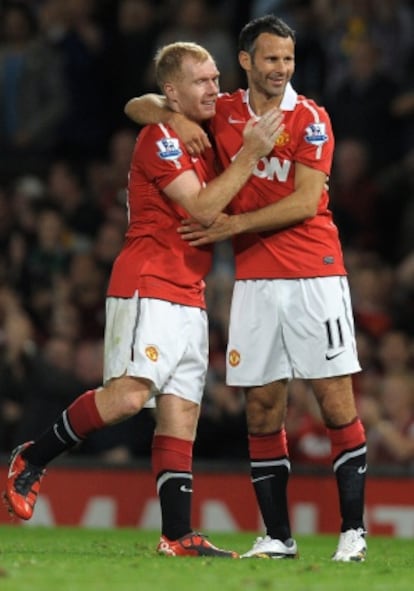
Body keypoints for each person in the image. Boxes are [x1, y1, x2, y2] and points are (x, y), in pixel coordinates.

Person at [3, 41, 283, 558]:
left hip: (191, 292)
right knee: (129, 397)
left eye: (216, 78)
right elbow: (199, 207)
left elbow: (148, 101)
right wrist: (246, 154)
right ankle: (31, 456)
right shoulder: (159, 139)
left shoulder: (208, 117)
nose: (214, 89)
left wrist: (185, 114)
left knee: (181, 416)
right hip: (147, 283)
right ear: (173, 92)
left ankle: (177, 535)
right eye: (201, 81)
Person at [124, 15, 367, 562]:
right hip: (256, 280)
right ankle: (278, 537)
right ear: (247, 61)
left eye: (288, 59)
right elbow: (137, 106)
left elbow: (308, 201)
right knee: (261, 408)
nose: (281, 69)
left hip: (315, 274)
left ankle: (353, 530)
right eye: (271, 59)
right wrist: (169, 116)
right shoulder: (226, 111)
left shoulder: (311, 119)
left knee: (334, 401)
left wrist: (232, 226)